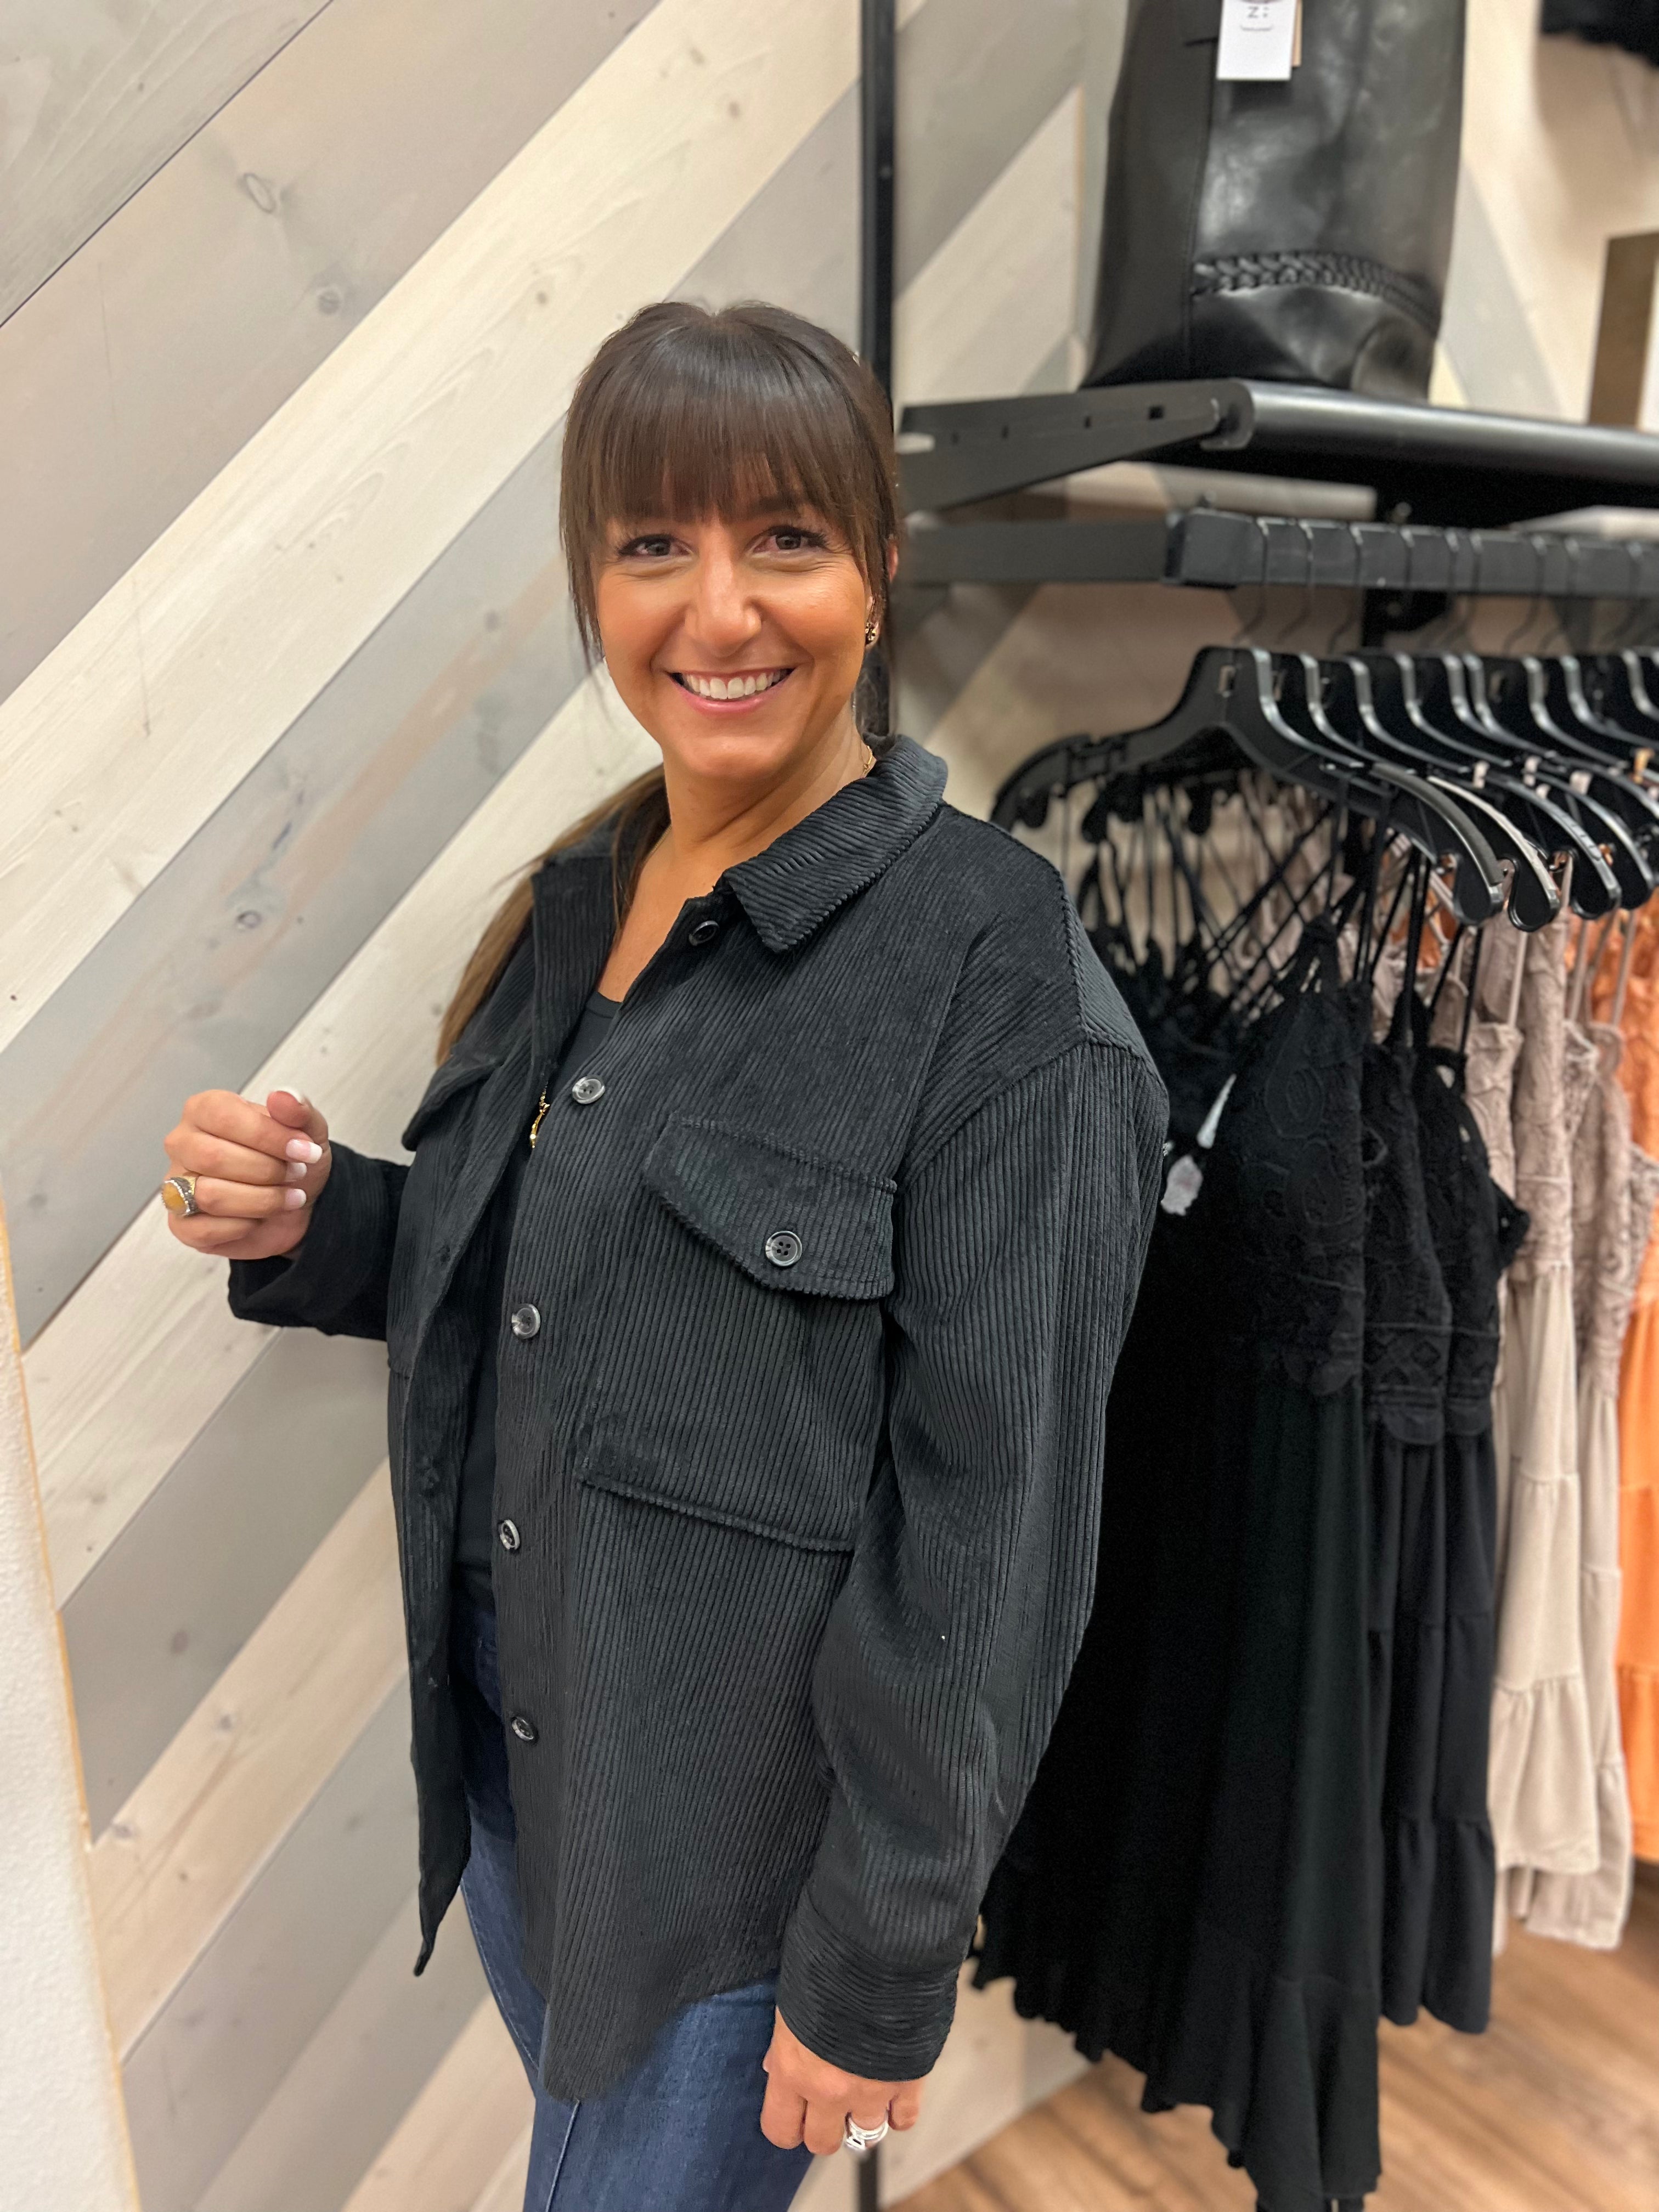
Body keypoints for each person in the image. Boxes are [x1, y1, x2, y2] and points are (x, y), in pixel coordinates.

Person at [159, 300, 1166, 2212]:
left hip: (733, 1875)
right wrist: (324, 1222)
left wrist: (877, 1964)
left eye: (784, 535)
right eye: (653, 545)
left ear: (879, 564)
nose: (720, 609)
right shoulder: (581, 895)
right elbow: (552, 1274)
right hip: (525, 1767)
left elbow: (998, 1546)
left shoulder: (997, 984)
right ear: (594, 587)